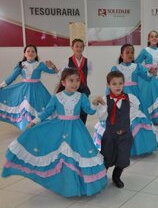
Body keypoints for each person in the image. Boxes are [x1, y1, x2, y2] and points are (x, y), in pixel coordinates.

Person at [2, 68, 107, 197]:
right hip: (60, 129)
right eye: (71, 80)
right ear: (63, 82)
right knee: (63, 156)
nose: (75, 83)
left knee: (78, 156)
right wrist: (34, 121)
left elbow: (89, 111)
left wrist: (95, 103)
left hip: (77, 130)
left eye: (77, 80)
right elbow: (46, 112)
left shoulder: (81, 96)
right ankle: (66, 185)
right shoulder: (57, 97)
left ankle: (79, 184)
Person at [95, 44, 157, 157]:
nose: (130, 55)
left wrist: (151, 72)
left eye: (132, 52)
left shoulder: (137, 66)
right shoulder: (116, 68)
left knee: (137, 120)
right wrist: (108, 99)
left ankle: (137, 147)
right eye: (127, 52)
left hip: (135, 96)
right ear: (121, 55)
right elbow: (110, 84)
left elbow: (146, 77)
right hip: (119, 96)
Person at [0, 45, 58, 130]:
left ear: (36, 54)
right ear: (24, 54)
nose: (30, 53)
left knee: (39, 107)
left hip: (38, 89)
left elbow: (54, 72)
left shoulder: (40, 64)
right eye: (28, 51)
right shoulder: (21, 65)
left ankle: (36, 126)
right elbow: (12, 77)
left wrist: (53, 66)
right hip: (24, 90)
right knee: (25, 107)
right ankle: (26, 127)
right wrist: (1, 85)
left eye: (33, 51)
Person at [93, 71, 133, 188]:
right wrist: (99, 105)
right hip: (110, 135)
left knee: (123, 158)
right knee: (107, 157)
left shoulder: (129, 98)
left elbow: (135, 110)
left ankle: (116, 176)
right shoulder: (105, 100)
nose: (117, 86)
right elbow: (102, 117)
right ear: (108, 85)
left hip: (125, 135)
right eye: (114, 84)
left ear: (124, 84)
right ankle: (101, 176)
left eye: (120, 83)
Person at [136, 30, 158, 124]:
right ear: (148, 39)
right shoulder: (145, 50)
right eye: (152, 36)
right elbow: (136, 63)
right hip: (148, 80)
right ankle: (149, 118)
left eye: (156, 36)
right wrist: (146, 70)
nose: (154, 38)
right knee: (148, 98)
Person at [65, 39, 91, 124]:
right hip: (72, 89)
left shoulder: (88, 62)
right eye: (77, 46)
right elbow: (63, 75)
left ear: (83, 48)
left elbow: (89, 73)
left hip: (84, 89)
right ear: (72, 47)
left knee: (84, 109)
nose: (79, 48)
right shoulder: (67, 61)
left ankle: (82, 126)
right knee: (73, 109)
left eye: (81, 47)